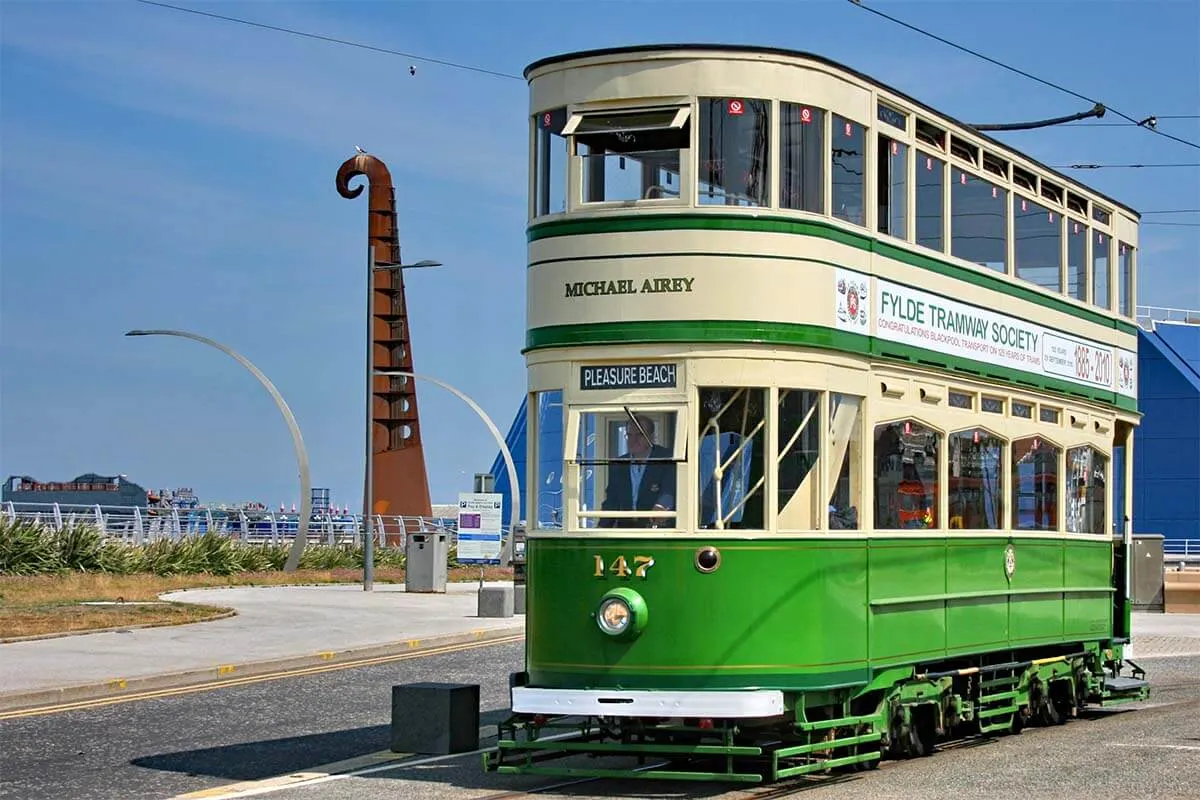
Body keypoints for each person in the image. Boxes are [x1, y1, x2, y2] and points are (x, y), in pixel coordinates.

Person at [600, 414, 676, 528]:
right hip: (626, 530)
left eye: (639, 435)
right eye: (629, 435)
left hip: (657, 529)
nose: (633, 440)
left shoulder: (667, 458)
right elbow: (612, 500)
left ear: (651, 437)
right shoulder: (619, 464)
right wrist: (601, 527)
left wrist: (662, 506)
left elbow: (670, 489)